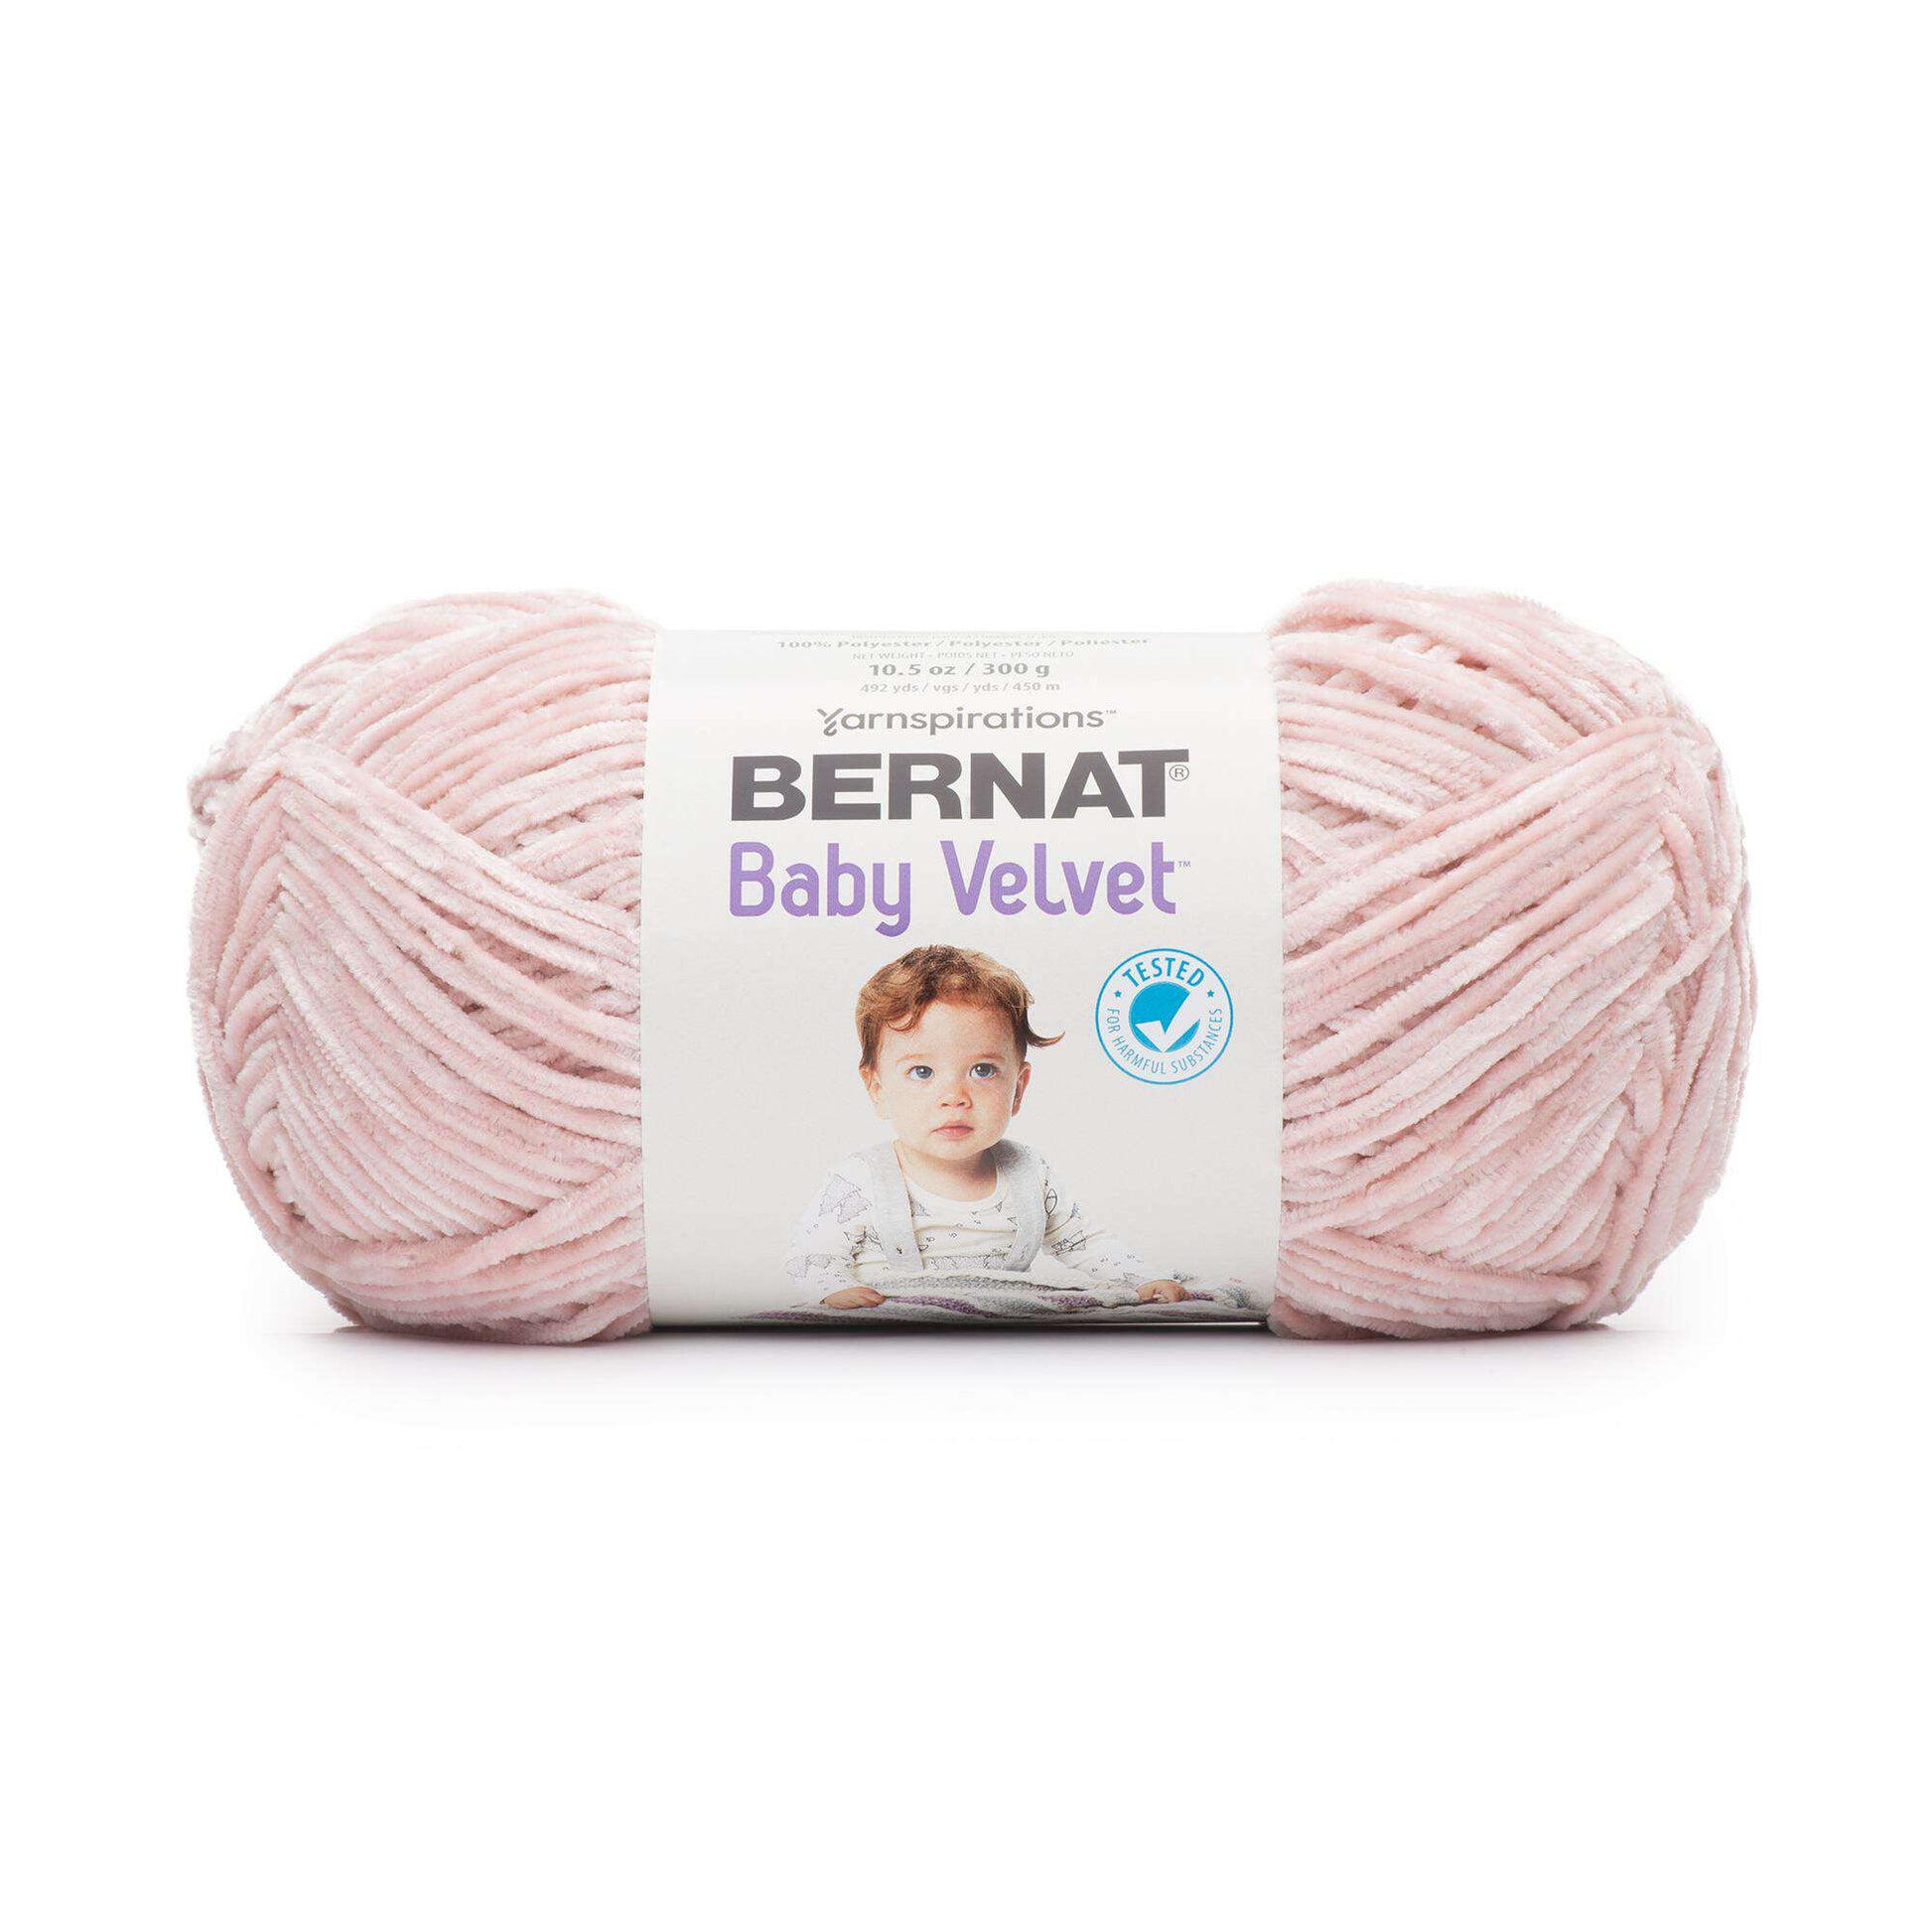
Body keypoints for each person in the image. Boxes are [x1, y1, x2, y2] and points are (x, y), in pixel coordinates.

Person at [784, 944, 1187, 1310]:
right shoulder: (861, 1180)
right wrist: (834, 1290)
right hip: (900, 1326)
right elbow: (811, 1255)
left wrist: (1143, 1278)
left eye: (982, 1070)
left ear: (1018, 1088)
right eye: (922, 1071)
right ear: (878, 1089)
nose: (954, 1096)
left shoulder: (1029, 1174)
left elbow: (1085, 1241)